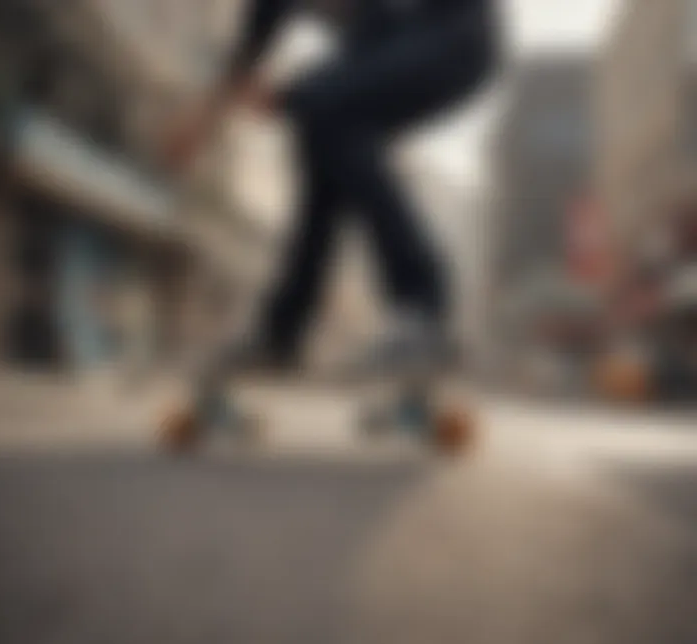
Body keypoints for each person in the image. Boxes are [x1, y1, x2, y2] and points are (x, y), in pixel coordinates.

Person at [170, 0, 498, 375]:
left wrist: (285, 99)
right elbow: (247, 60)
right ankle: (282, 335)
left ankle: (423, 305)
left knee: (322, 109)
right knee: (324, 136)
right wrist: (206, 121)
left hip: (451, 32)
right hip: (392, 43)